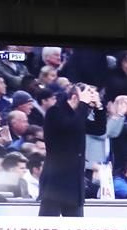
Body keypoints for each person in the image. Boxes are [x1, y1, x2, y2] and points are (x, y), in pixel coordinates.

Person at [37, 80, 107, 217]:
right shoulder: (55, 112)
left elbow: (99, 129)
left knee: (76, 229)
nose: (87, 103)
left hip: (75, 182)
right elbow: (71, 127)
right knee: (48, 227)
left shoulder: (78, 116)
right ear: (75, 97)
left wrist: (98, 107)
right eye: (86, 96)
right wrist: (83, 105)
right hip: (56, 181)